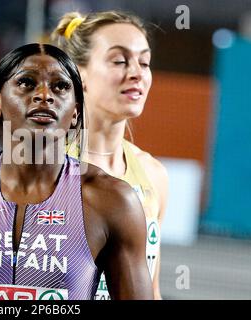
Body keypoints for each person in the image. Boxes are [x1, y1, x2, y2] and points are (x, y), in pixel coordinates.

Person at [0, 43, 153, 300]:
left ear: (76, 113)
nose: (44, 95)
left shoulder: (113, 200)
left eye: (60, 86)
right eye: (26, 82)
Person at [52, 11, 169, 300]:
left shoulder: (153, 175)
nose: (137, 73)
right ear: (79, 74)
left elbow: (151, 290)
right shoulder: (41, 169)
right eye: (119, 61)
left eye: (144, 62)